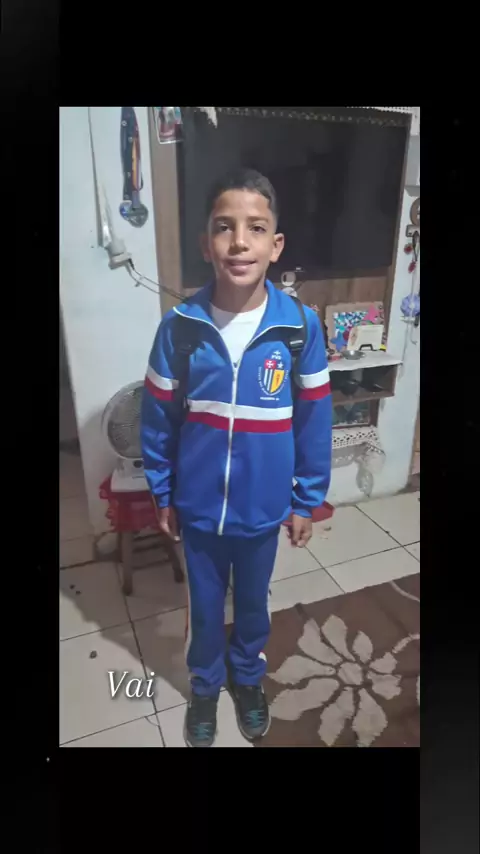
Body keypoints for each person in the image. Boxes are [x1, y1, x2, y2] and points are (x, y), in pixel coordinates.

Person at [141, 168, 332, 747]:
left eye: (256, 228)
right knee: (204, 608)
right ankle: (205, 686)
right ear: (206, 244)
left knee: (252, 606)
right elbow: (157, 419)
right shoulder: (180, 329)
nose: (239, 242)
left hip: (262, 510)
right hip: (199, 510)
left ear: (276, 245)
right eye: (224, 228)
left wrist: (307, 501)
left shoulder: (298, 329)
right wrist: (163, 491)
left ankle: (247, 678)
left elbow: (314, 421)